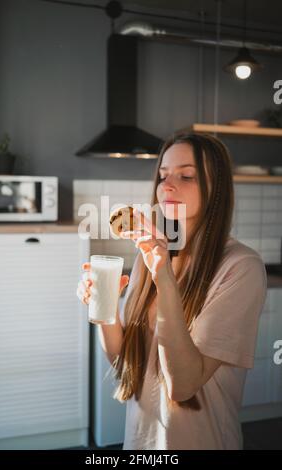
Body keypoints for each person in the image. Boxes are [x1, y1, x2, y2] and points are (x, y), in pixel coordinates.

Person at [77, 132, 267, 450]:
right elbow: (125, 362)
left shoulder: (240, 267)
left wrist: (164, 277)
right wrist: (104, 308)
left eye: (186, 175)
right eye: (163, 175)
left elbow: (182, 386)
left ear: (216, 187)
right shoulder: (148, 255)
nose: (166, 185)